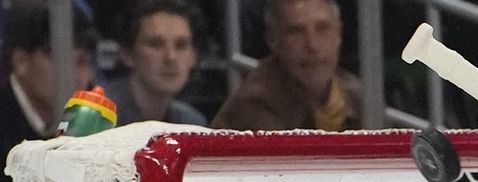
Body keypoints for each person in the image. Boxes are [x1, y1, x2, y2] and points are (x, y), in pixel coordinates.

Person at [2, 4, 98, 182]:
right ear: (21, 62)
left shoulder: (99, 121)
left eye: (81, 61)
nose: (73, 74)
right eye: (60, 59)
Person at [210, 0, 358, 131]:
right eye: (296, 32)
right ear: (272, 40)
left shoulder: (357, 95)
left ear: (339, 33)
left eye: (322, 28)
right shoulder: (253, 104)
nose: (312, 45)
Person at [104, 0, 204, 126]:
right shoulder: (97, 118)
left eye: (181, 45)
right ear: (128, 53)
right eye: (155, 44)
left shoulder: (191, 124)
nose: (171, 57)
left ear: (194, 56)